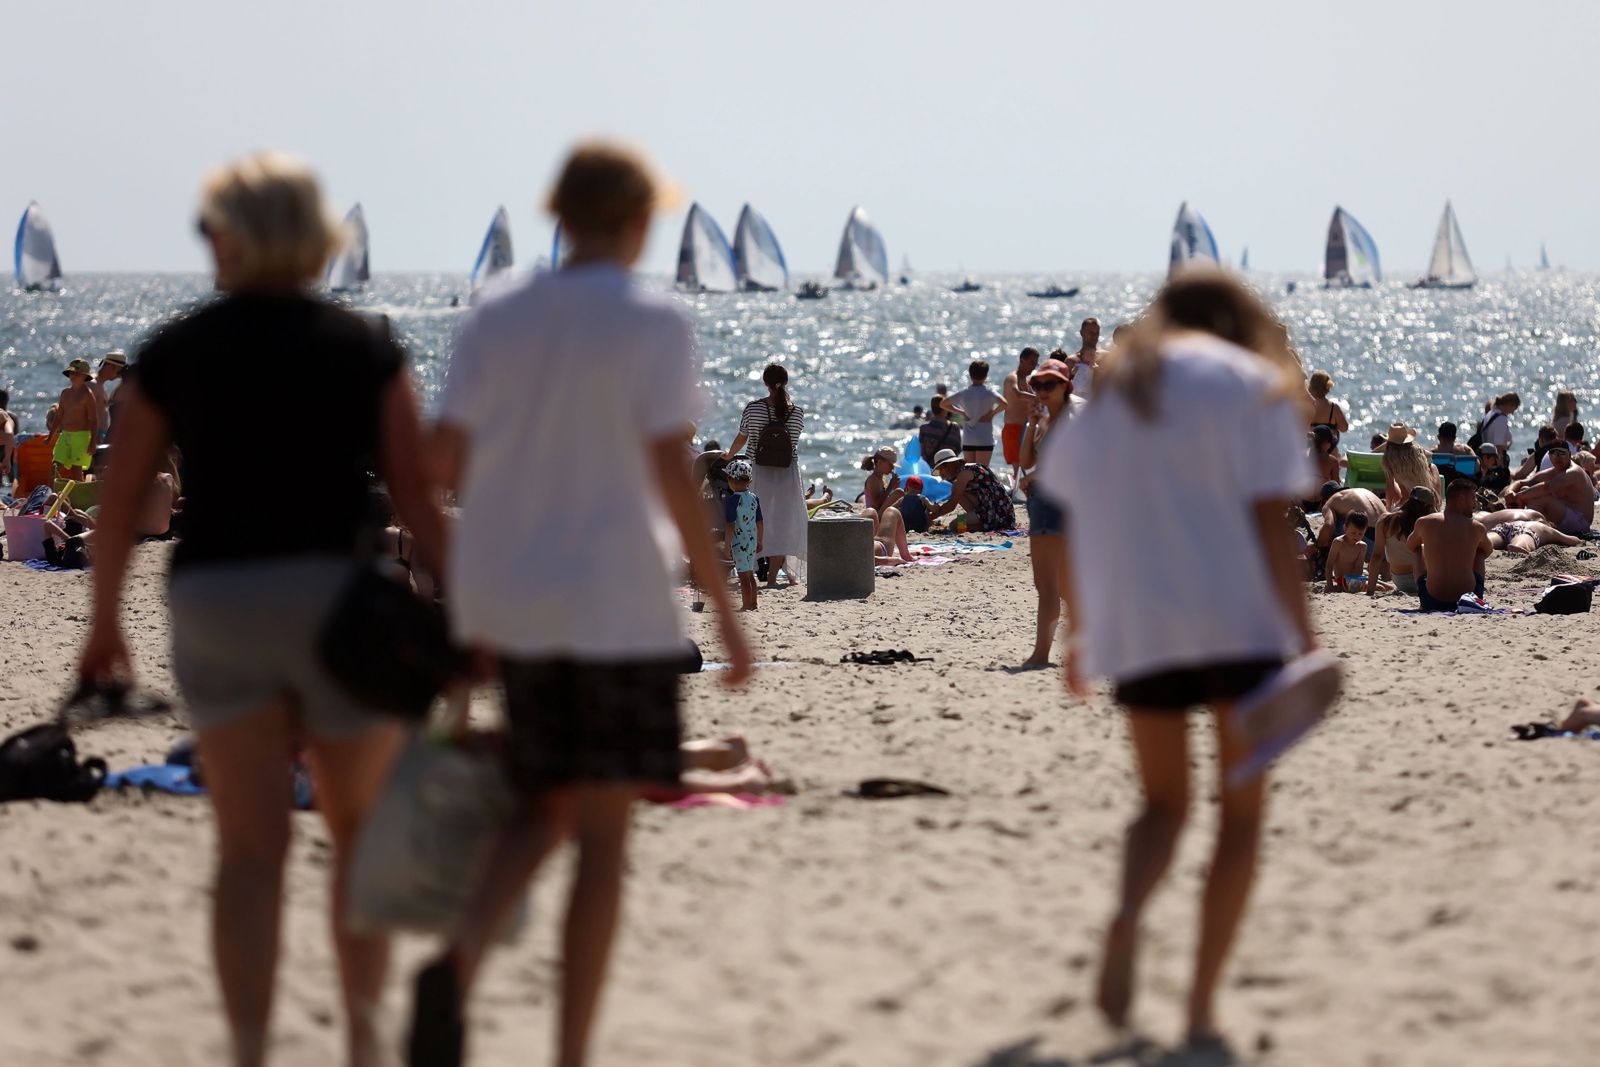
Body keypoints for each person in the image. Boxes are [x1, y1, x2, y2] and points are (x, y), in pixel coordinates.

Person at [76, 151, 448, 1067]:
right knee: (358, 835)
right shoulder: (366, 345)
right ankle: (362, 1039)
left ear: (233, 239)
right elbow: (415, 498)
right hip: (335, 601)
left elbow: (119, 498)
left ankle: (249, 1049)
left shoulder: (178, 349)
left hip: (219, 599)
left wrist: (105, 621)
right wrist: (460, 610)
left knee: (249, 853)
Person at [416, 140, 752, 1067]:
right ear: (641, 222)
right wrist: (724, 605)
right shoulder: (651, 320)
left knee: (538, 802)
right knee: (603, 836)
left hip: (511, 597)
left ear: (556, 211)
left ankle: (459, 952)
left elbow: (441, 458)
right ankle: (570, 1052)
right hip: (616, 600)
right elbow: (673, 475)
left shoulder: (496, 313)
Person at [1035, 271, 1318, 1048]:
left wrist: (1081, 634)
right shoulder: (1252, 383)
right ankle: (1197, 1007)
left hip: (1145, 626)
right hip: (1241, 625)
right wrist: (1310, 638)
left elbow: (1075, 514)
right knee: (1242, 815)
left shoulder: (1120, 393)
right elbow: (1270, 523)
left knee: (1162, 805)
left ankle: (1127, 917)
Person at [1017, 357, 1080, 667]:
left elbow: (1079, 460)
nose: (1042, 390)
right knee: (1063, 583)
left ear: (1065, 385)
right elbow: (1025, 460)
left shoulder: (1075, 414)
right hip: (1045, 500)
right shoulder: (1047, 417)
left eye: (1050, 384)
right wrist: (1031, 423)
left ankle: (1041, 654)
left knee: (1047, 583)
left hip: (1057, 500)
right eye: (1038, 385)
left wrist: (1038, 476)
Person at [722, 363, 807, 586]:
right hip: (787, 473)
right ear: (786, 382)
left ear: (765, 383)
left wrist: (729, 454)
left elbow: (743, 437)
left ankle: (748, 572)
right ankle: (772, 579)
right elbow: (794, 443)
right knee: (782, 523)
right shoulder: (797, 412)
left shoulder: (753, 408)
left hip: (759, 470)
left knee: (754, 521)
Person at [1408, 477, 1492, 611]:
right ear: (1461, 499)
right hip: (1468, 600)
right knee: (1480, 551)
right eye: (1473, 498)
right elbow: (1488, 550)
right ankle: (1478, 599)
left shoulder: (1424, 522)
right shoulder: (1477, 527)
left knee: (1418, 549)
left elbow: (1411, 546)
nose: (1475, 504)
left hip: (1431, 600)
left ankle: (1422, 601)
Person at [1506, 442, 1594, 535]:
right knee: (1525, 489)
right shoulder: (1553, 471)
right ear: (1549, 456)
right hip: (1567, 517)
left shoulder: (1574, 472)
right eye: (1553, 452)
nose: (1557, 456)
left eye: (1562, 453)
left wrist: (1517, 497)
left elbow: (1546, 487)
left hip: (1581, 523)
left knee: (1542, 499)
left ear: (1569, 455)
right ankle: (1523, 523)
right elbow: (1520, 482)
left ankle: (1525, 526)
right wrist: (1509, 492)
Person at [927, 448, 1016, 532]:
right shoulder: (966, 470)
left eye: (941, 470)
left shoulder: (963, 474)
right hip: (994, 507)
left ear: (947, 466)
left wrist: (929, 517)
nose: (941, 474)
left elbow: (951, 506)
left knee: (954, 525)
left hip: (999, 511)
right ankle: (979, 522)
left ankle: (986, 525)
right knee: (957, 492)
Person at [1368, 487, 1435, 597]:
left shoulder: (1385, 520)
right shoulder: (1426, 523)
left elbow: (1377, 556)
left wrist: (1370, 591)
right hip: (1423, 579)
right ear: (1427, 506)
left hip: (1399, 580)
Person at [946, 359, 1005, 467]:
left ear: (970, 374)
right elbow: (1004, 404)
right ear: (986, 375)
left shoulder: (964, 393)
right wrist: (990, 415)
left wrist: (962, 412)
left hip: (969, 438)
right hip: (984, 438)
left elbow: (943, 404)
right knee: (982, 473)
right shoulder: (989, 392)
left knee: (970, 473)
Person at [722, 459, 763, 611]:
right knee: (750, 574)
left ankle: (746, 605)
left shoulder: (733, 500)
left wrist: (727, 546)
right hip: (752, 542)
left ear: (730, 480)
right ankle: (754, 604)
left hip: (739, 543)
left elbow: (730, 525)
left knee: (743, 577)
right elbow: (760, 522)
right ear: (750, 480)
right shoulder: (754, 498)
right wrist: (760, 540)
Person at [1001, 346, 1042, 488]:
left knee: (1028, 463)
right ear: (1022, 360)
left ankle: (1023, 490)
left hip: (1026, 428)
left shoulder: (1029, 381)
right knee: (1017, 466)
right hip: (1013, 427)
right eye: (1031, 362)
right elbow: (1017, 394)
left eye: (1035, 363)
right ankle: (1018, 491)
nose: (1033, 367)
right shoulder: (1012, 378)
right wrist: (1039, 398)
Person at [54, 358, 100, 481]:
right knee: (55, 464)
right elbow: (59, 415)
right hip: (65, 434)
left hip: (81, 436)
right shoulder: (65, 393)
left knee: (76, 468)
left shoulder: (87, 395)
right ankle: (49, 492)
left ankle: (79, 495)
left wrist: (93, 442)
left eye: (76, 373)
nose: (72, 376)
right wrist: (50, 435)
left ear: (85, 376)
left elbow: (94, 420)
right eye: (71, 373)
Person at [1380, 423, 1441, 506]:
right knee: (1433, 467)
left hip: (1406, 500)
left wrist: (1388, 507)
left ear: (1389, 443)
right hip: (1427, 498)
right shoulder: (1417, 452)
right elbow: (1431, 455)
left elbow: (1390, 488)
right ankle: (1437, 500)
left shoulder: (1389, 459)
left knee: (1395, 482)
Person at [1324, 512, 1378, 592]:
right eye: (1353, 533)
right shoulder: (1338, 542)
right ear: (1345, 528)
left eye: (1360, 534)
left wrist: (1358, 581)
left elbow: (1359, 567)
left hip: (1355, 580)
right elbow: (1329, 565)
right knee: (1380, 588)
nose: (1356, 536)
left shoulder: (1362, 546)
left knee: (1386, 587)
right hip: (1341, 579)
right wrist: (1329, 585)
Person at [92, 350, 128, 442]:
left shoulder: (101, 385)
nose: (118, 376)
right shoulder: (92, 384)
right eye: (118, 373)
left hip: (100, 434)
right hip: (93, 435)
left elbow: (112, 402)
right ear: (111, 366)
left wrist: (124, 381)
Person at [918, 394, 962, 464]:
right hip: (948, 467)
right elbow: (958, 450)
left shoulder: (924, 428)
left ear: (932, 408)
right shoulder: (955, 428)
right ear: (945, 408)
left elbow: (922, 452)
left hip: (929, 467)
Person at [1067, 318, 1104, 401]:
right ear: (1081, 333)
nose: (1094, 336)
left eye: (1097, 333)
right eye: (1091, 332)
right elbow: (1063, 389)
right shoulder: (1071, 361)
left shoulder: (1106, 357)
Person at [1307, 370, 1347, 444]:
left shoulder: (1304, 405)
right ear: (1327, 388)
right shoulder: (1333, 408)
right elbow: (1344, 428)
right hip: (1328, 449)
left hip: (1307, 446)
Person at [1476, 392, 1519, 459]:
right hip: (1493, 459)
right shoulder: (1501, 419)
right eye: (1514, 409)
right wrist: (1501, 465)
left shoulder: (1492, 412)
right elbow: (1498, 446)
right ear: (1510, 405)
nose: (1512, 412)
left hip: (1486, 455)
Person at [860, 446, 903, 513]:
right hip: (874, 516)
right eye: (890, 465)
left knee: (900, 494)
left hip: (879, 513)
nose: (892, 468)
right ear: (880, 462)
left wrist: (893, 487)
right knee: (899, 493)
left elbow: (884, 500)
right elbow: (876, 506)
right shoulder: (873, 480)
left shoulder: (881, 479)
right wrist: (890, 487)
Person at [0, 389, 15, 487]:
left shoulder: (3, 416)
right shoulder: (7, 416)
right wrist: (7, 458)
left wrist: (7, 457)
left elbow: (10, 435)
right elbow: (10, 435)